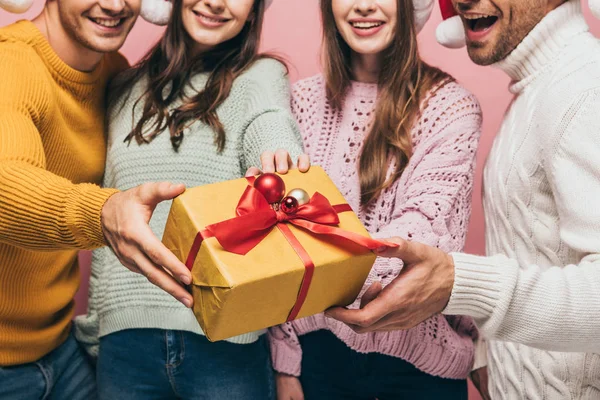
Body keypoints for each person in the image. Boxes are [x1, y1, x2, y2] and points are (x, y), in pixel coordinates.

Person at [327, 0, 600, 398]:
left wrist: (459, 283)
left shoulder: (584, 92)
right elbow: (536, 252)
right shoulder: (540, 89)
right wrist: (489, 355)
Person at [74, 0, 308, 399]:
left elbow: (269, 120)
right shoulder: (122, 87)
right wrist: (98, 328)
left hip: (225, 341)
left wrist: (278, 156)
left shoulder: (261, 76)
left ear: (253, 10)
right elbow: (107, 219)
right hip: (124, 344)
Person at [266, 1, 486, 399]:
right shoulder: (296, 103)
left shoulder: (451, 108)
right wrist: (284, 361)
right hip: (316, 358)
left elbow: (423, 236)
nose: (364, 5)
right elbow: (275, 243)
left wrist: (323, 272)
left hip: (416, 362)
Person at [0, 0, 197, 398]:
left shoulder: (114, 71)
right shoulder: (11, 62)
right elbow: (6, 180)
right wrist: (103, 211)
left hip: (62, 346)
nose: (113, 5)